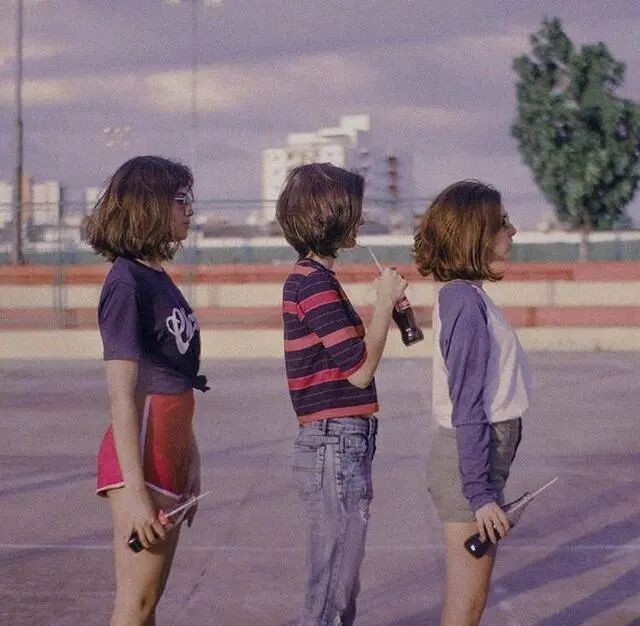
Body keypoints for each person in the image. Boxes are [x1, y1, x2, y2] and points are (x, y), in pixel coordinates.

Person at [276, 163, 408, 626]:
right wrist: (384, 304)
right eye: (355, 210)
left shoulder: (316, 279)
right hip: (335, 441)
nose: (361, 219)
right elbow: (359, 369)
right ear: (330, 216)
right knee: (334, 578)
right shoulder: (312, 283)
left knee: (341, 578)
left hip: (341, 440)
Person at [86, 155, 208, 626]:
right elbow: (121, 394)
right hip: (143, 452)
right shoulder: (125, 282)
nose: (188, 209)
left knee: (147, 602)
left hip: (168, 448)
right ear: (150, 205)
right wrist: (136, 493)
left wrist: (191, 456)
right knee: (135, 604)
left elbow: (174, 375)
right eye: (180, 199)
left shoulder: (155, 276)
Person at [413, 180, 532, 626]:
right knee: (466, 606)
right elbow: (467, 403)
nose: (512, 231)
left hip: (479, 459)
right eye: (502, 222)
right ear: (475, 233)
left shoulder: (468, 295)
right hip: (470, 464)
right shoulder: (464, 301)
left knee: (470, 604)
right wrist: (480, 493)